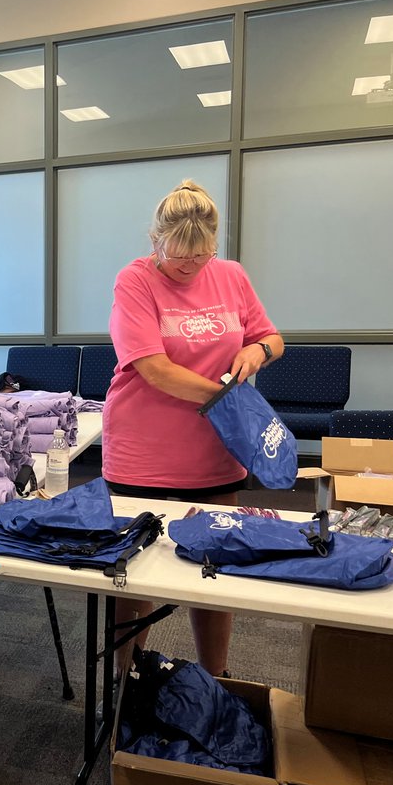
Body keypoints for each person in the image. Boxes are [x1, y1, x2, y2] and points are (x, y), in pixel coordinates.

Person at [103, 180, 284, 676]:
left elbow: (272, 337)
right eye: (178, 257)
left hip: (214, 452)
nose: (190, 267)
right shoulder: (134, 280)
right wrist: (228, 400)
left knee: (215, 570)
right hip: (144, 451)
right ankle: (124, 682)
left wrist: (257, 350)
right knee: (133, 575)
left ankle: (216, 679)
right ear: (155, 240)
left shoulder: (231, 275)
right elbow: (155, 369)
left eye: (201, 256)